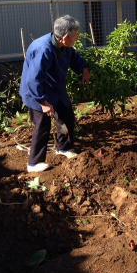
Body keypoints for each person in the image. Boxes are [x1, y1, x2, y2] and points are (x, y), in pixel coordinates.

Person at [20, 15, 90, 172]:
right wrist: (43, 103)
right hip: (36, 92)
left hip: (54, 88)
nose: (77, 38)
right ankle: (34, 163)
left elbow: (74, 59)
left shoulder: (64, 46)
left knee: (66, 116)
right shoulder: (43, 50)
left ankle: (63, 148)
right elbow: (33, 80)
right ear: (65, 37)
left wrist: (83, 69)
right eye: (76, 35)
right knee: (42, 125)